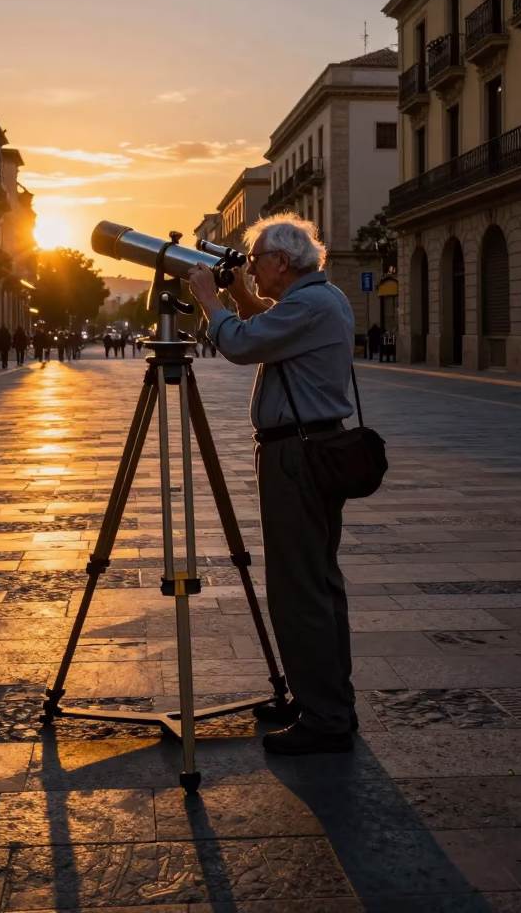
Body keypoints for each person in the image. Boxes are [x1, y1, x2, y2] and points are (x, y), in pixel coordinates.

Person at [189, 213, 356, 757]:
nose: (250, 267)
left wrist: (210, 303)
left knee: (299, 589)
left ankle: (325, 718)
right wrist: (238, 295)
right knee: (317, 582)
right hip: (310, 449)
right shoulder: (315, 301)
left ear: (282, 263)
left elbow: (241, 344)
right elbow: (264, 326)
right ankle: (320, 697)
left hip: (298, 456)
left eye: (256, 259)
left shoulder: (308, 306)